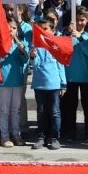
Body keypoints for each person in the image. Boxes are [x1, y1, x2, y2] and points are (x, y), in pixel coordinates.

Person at [29, 18, 67, 150]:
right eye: (40, 29)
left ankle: (55, 138)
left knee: (55, 112)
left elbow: (61, 65)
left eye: (45, 29)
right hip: (39, 84)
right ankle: (41, 137)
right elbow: (34, 65)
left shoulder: (55, 45)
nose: (42, 32)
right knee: (41, 112)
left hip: (54, 84)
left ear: (53, 30)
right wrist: (33, 56)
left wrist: (63, 83)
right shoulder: (35, 44)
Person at [62, 6, 88, 143]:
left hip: (86, 75)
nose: (79, 22)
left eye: (82, 20)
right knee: (69, 106)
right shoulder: (65, 33)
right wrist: (68, 34)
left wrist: (80, 38)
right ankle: (70, 131)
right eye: (76, 20)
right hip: (70, 74)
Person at [0, 16, 29, 147]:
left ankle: (16, 134)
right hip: (4, 81)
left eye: (14, 28)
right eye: (8, 27)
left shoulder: (21, 44)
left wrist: (23, 51)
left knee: (16, 110)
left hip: (17, 80)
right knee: (4, 110)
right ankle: (4, 136)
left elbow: (26, 60)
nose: (11, 30)